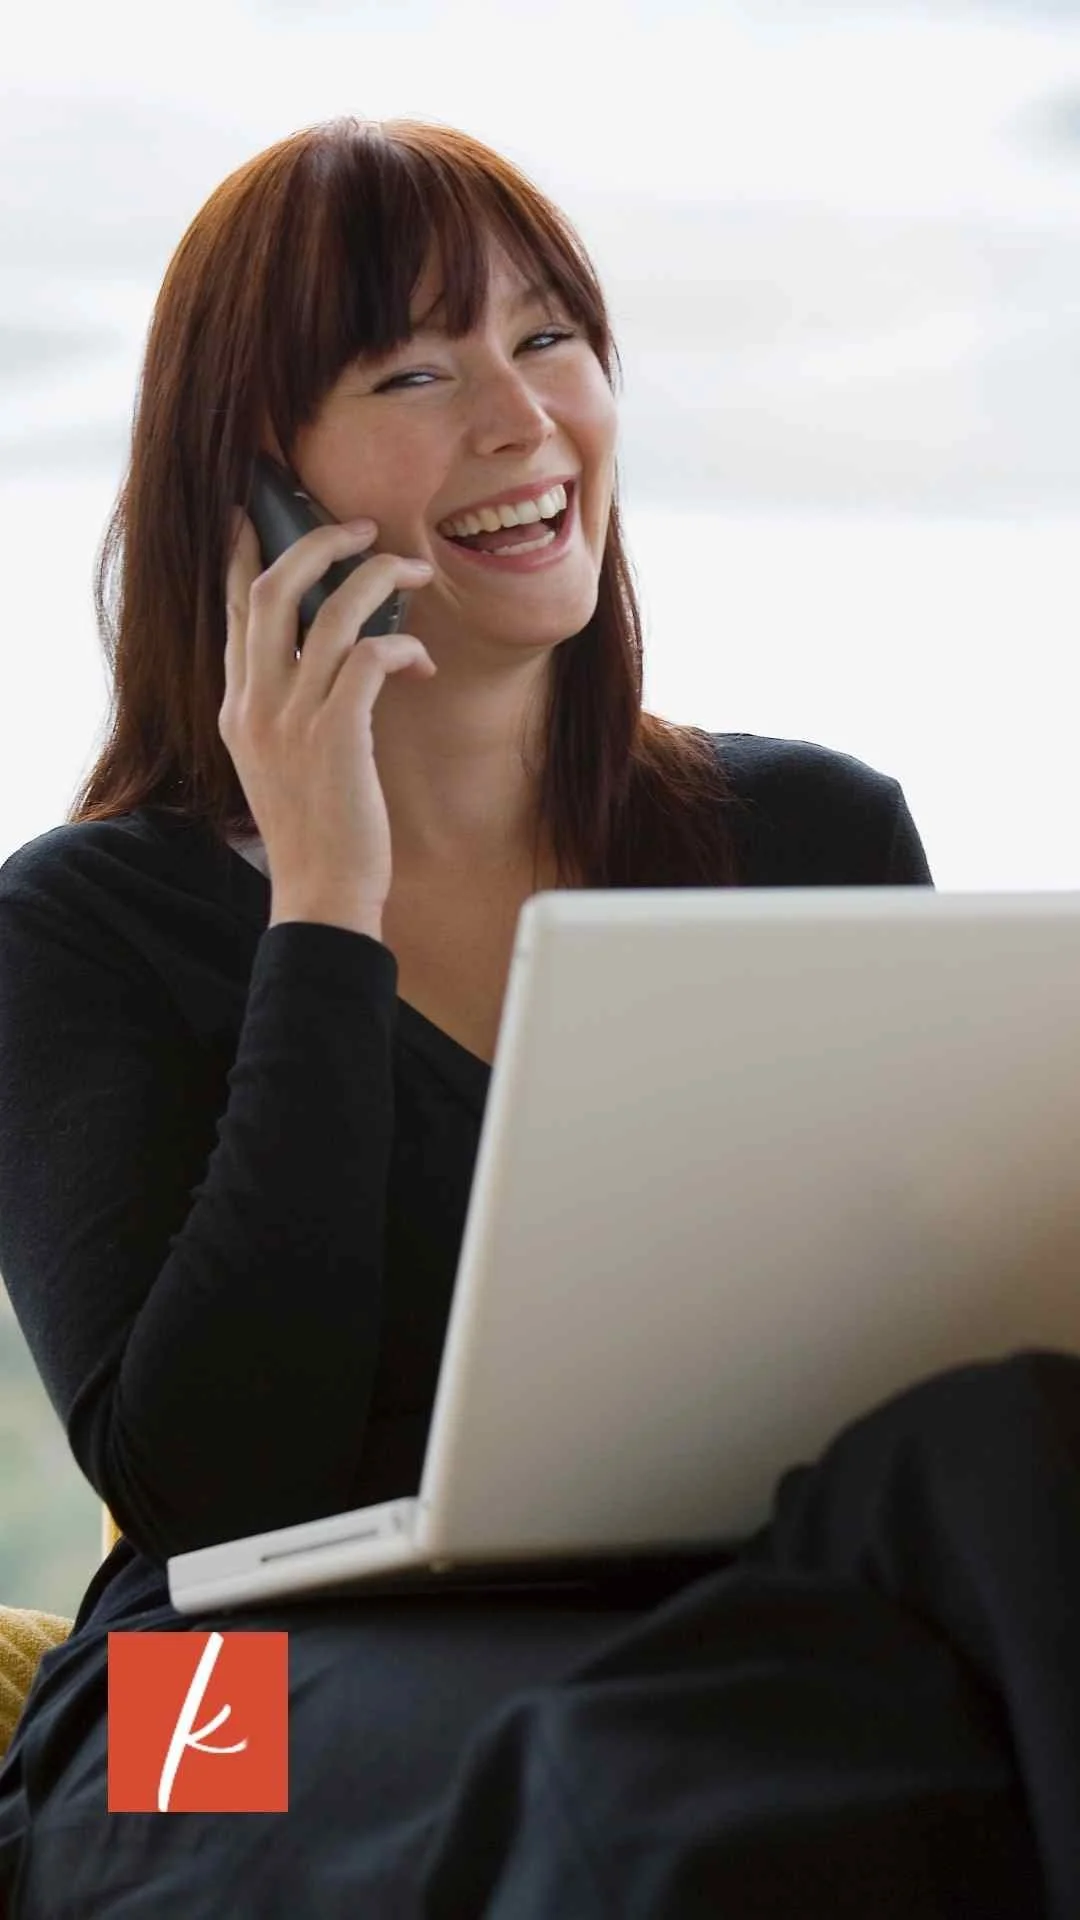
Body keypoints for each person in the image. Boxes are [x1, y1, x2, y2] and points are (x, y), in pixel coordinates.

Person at [0, 113, 1072, 1920]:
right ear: (258, 483)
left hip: (700, 1602)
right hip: (203, 1689)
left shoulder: (812, 831)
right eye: (416, 369)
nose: (521, 420)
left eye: (549, 338)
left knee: (1005, 1460)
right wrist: (325, 904)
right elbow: (214, 1487)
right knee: (640, 1772)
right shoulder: (87, 923)